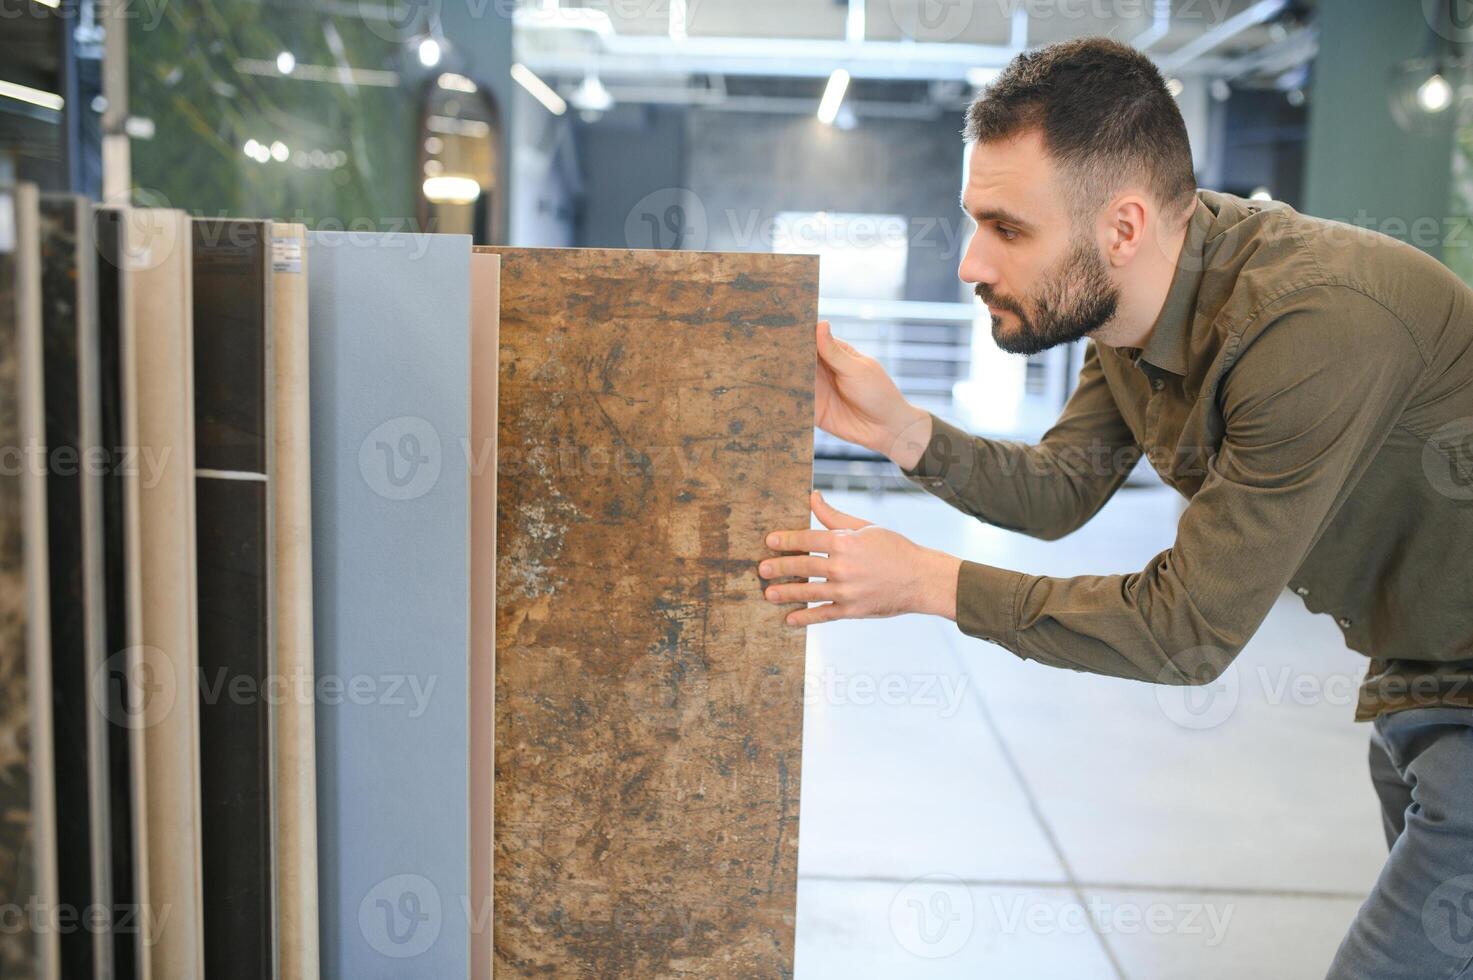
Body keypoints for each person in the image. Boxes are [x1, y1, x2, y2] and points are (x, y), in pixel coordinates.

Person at [759, 36, 1473, 978]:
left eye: (1007, 229)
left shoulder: (1310, 325)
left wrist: (928, 582)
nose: (971, 262)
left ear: (1122, 227)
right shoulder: (1132, 307)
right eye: (974, 222)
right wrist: (898, 429)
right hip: (1423, 673)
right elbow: (1062, 490)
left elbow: (1186, 629)